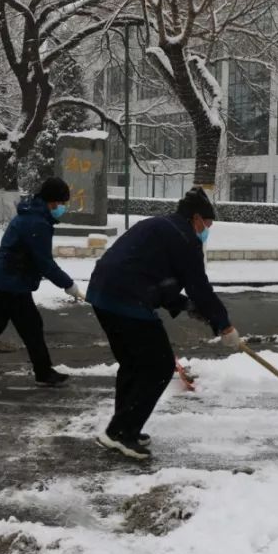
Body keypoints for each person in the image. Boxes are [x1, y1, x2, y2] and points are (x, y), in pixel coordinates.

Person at [86, 186, 240, 460]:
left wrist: (184, 305)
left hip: (103, 294)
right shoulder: (185, 238)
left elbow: (156, 276)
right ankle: (120, 431)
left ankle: (125, 427)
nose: (206, 229)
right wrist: (224, 325)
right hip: (127, 300)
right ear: (196, 218)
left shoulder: (160, 225)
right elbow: (199, 286)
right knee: (159, 366)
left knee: (134, 364)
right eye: (207, 224)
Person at [0, 177, 83, 386]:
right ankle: (43, 373)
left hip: (5, 276)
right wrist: (68, 284)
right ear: (52, 201)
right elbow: (44, 262)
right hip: (11, 280)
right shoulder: (37, 222)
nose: (61, 208)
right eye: (61, 203)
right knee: (30, 326)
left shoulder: (32, 214)